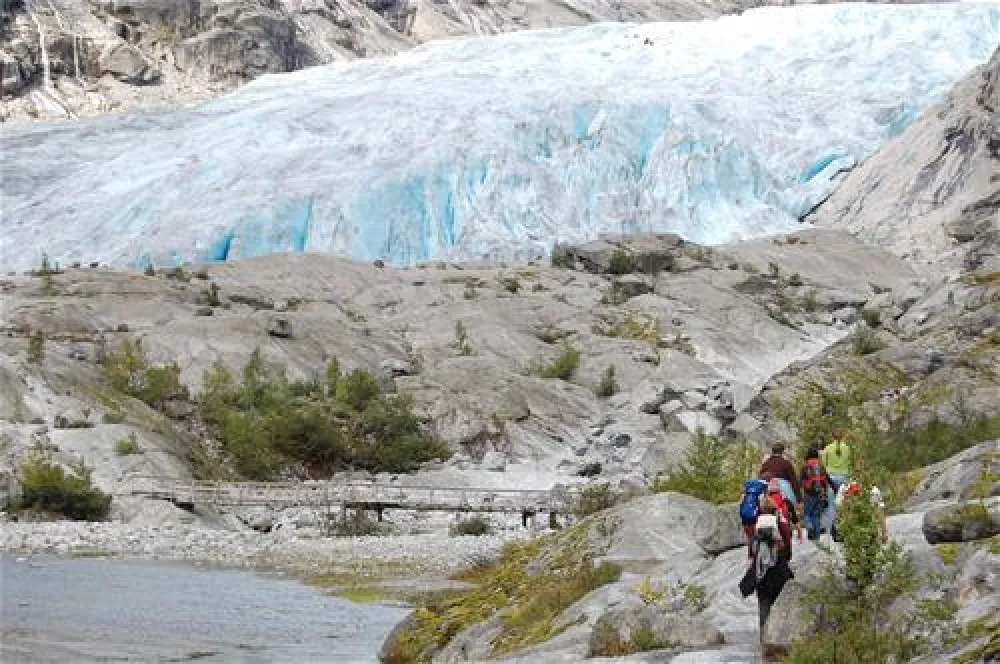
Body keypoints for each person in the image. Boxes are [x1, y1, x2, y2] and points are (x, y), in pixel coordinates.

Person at [739, 498, 794, 642]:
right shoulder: (779, 521)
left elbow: (751, 545)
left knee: (763, 603)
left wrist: (752, 558)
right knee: (778, 601)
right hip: (778, 567)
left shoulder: (756, 524)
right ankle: (777, 636)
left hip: (760, 568)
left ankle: (763, 638)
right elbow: (787, 540)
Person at [822, 428, 853, 538]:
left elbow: (824, 465)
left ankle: (832, 528)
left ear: (832, 437)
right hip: (844, 477)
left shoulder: (827, 448)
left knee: (832, 504)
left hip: (831, 478)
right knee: (844, 504)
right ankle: (844, 526)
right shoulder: (848, 448)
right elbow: (850, 463)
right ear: (843, 436)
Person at [760, 442, 803, 518]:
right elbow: (794, 481)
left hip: (768, 491)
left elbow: (760, 479)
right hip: (784, 491)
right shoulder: (786, 463)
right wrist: (799, 499)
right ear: (782, 452)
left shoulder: (766, 464)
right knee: (788, 512)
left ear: (772, 451)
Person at [800, 448, 833, 540]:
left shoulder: (805, 467)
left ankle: (810, 528)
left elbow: (801, 481)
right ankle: (817, 536)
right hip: (820, 492)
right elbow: (827, 480)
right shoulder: (821, 466)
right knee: (816, 515)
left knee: (807, 514)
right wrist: (827, 491)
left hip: (809, 493)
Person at [765, 475, 803, 543]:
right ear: (779, 488)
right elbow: (795, 519)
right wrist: (799, 534)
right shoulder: (786, 501)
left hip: (769, 534)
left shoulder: (764, 501)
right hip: (785, 532)